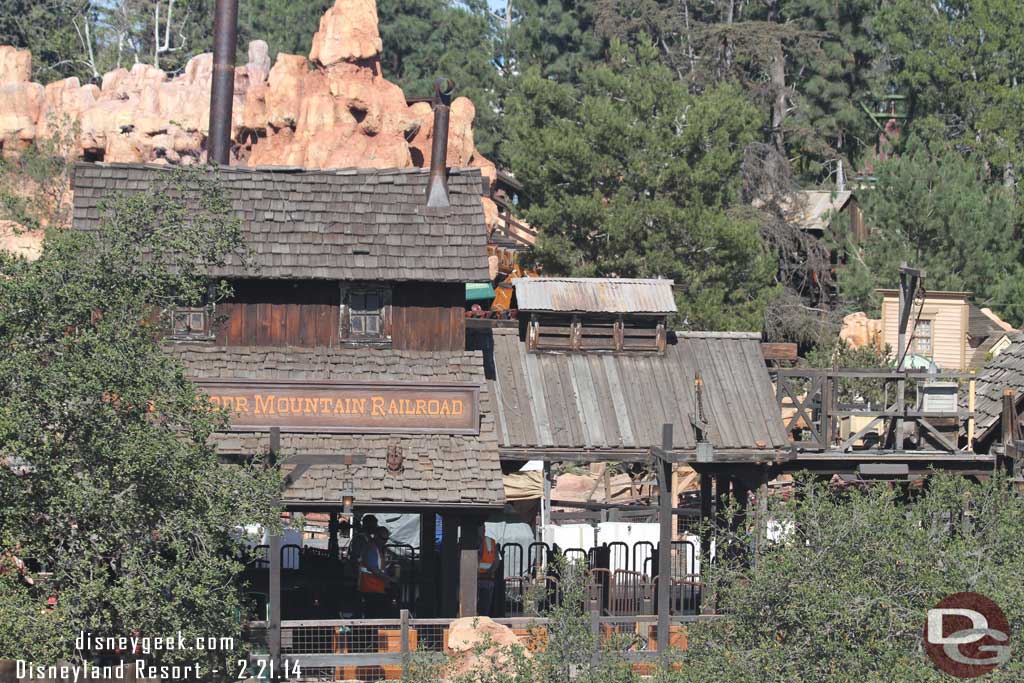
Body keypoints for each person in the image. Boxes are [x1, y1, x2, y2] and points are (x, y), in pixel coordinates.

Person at [357, 526, 391, 618]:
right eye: (383, 538)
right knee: (373, 617)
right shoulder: (372, 549)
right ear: (376, 536)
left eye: (386, 539)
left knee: (373, 617)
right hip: (371, 589)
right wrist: (389, 579)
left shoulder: (376, 549)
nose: (385, 541)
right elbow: (374, 570)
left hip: (375, 589)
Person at [477, 528, 499, 616]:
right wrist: (491, 571)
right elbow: (496, 560)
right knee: (484, 610)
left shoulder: (468, 541)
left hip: (478, 579)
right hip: (487, 579)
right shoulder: (489, 541)